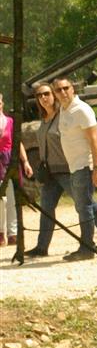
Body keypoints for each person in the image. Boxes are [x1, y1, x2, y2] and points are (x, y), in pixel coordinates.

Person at [52, 77, 97, 261]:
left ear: (73, 89)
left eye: (66, 88)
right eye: (59, 90)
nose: (63, 92)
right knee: (86, 203)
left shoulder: (82, 110)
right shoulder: (63, 110)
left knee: (83, 207)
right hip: (74, 165)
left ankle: (87, 248)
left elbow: (94, 140)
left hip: (86, 164)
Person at [19, 83, 70, 257]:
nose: (43, 98)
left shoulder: (63, 115)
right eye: (40, 95)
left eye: (47, 94)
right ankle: (42, 247)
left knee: (85, 204)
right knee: (46, 208)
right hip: (50, 172)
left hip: (66, 169)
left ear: (53, 95)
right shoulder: (45, 118)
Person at [0, 91, 15, 247]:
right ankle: (0, 233)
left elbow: (18, 143)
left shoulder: (10, 121)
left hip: (8, 160)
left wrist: (25, 162)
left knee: (12, 199)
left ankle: (13, 233)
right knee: (0, 200)